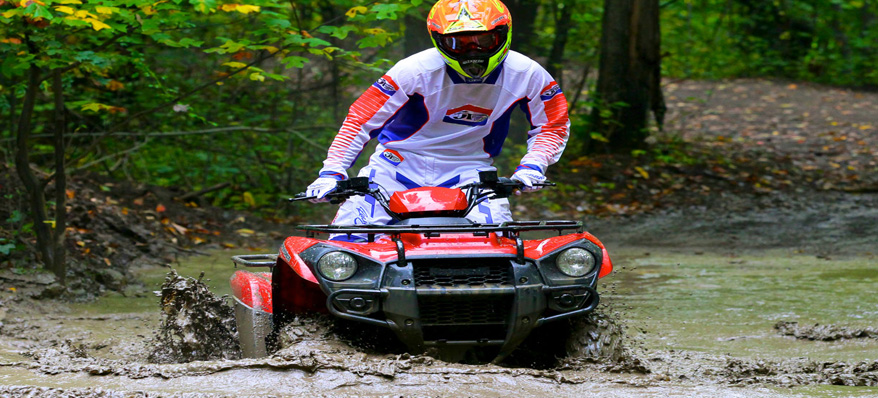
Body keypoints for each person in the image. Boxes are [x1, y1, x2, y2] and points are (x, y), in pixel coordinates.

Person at [306, 0, 570, 236]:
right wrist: (332, 171)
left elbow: (553, 124)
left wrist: (533, 166)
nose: (473, 52)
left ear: (503, 35)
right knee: (346, 242)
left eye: (483, 41)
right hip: (395, 168)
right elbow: (360, 120)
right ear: (438, 40)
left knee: (498, 243)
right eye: (458, 43)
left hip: (471, 172)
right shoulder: (414, 69)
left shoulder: (528, 73)